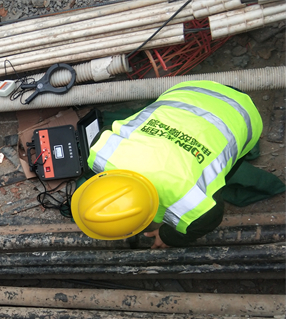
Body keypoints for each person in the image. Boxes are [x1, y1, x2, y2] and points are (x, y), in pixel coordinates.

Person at [71, 80, 262, 249]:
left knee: (224, 168)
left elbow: (210, 220)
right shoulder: (100, 153)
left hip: (244, 117)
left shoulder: (193, 206)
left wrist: (168, 236)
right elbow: (104, 132)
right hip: (188, 91)